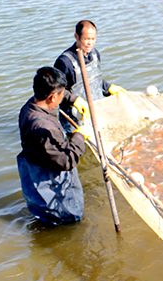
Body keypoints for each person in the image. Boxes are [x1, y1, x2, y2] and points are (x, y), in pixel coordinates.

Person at [17, 66, 92, 225]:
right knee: (67, 219)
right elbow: (67, 161)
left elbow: (55, 94)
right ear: (52, 97)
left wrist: (73, 99)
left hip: (34, 171)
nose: (62, 96)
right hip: (49, 182)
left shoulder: (30, 106)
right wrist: (79, 136)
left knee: (42, 216)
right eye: (61, 94)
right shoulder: (45, 129)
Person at [54, 20, 125, 133]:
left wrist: (108, 87)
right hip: (75, 121)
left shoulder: (95, 54)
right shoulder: (64, 62)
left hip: (96, 113)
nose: (90, 43)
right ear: (77, 36)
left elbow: (94, 81)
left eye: (93, 39)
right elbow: (56, 91)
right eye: (86, 39)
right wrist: (74, 100)